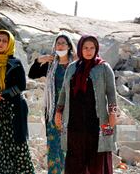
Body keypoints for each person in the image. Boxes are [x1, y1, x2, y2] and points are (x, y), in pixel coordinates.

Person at [55, 35, 117, 174]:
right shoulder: (72, 68)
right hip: (74, 123)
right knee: (75, 159)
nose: (89, 51)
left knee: (100, 153)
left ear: (96, 49)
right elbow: (64, 93)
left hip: (99, 122)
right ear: (80, 49)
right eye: (85, 48)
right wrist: (58, 112)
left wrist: (113, 113)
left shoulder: (104, 67)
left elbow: (112, 93)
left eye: (92, 48)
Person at [0, 30, 35, 174]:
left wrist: (0, 96)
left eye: (4, 41)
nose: (1, 43)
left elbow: (21, 86)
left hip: (14, 110)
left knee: (17, 145)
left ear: (10, 44)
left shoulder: (16, 64)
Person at [28, 33, 76, 174]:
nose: (60, 46)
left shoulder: (75, 65)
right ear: (54, 46)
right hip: (52, 113)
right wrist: (38, 60)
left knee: (69, 147)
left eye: (63, 43)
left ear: (69, 46)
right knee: (54, 148)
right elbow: (32, 74)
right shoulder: (50, 64)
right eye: (58, 43)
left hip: (71, 112)